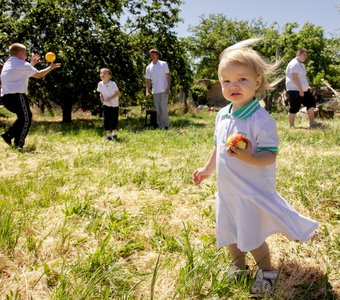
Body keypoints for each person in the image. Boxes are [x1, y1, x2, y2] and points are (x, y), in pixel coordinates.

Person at [192, 39, 318, 297]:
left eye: (241, 79)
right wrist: (207, 169)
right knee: (229, 233)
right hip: (227, 191)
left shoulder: (261, 119)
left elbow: (269, 157)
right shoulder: (222, 115)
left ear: (257, 82)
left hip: (250, 193)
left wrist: (249, 156)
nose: (233, 85)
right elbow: (218, 146)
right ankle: (237, 267)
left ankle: (267, 271)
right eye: (226, 81)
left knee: (252, 237)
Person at [1, 43, 61, 149]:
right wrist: (50, 68)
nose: (26, 54)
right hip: (17, 96)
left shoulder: (9, 63)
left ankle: (8, 135)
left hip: (6, 97)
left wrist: (31, 64)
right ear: (19, 53)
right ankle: (18, 144)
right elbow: (38, 75)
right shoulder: (22, 64)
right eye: (25, 52)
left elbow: (21, 72)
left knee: (23, 118)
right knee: (27, 118)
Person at [285, 48, 321, 128]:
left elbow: (302, 77)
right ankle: (291, 125)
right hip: (295, 90)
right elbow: (295, 78)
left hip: (303, 90)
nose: (305, 57)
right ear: (298, 54)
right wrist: (301, 90)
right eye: (304, 55)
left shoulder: (300, 64)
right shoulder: (294, 64)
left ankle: (312, 122)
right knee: (294, 107)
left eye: (306, 55)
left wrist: (306, 87)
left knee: (311, 103)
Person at [145, 49, 171, 130]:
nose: (152, 56)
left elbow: (168, 76)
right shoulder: (148, 67)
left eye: (153, 54)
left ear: (157, 55)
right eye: (150, 55)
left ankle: (166, 125)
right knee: (158, 109)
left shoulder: (163, 64)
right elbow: (148, 80)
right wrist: (147, 91)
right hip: (155, 91)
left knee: (163, 107)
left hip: (164, 89)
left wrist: (168, 88)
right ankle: (160, 125)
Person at [96, 68, 121, 141]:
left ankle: (114, 133)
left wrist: (109, 99)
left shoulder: (112, 84)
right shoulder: (100, 84)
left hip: (114, 105)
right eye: (101, 73)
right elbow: (100, 92)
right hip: (105, 105)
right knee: (106, 119)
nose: (102, 74)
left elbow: (118, 93)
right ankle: (108, 135)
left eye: (104, 73)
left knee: (114, 120)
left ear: (110, 76)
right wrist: (101, 97)